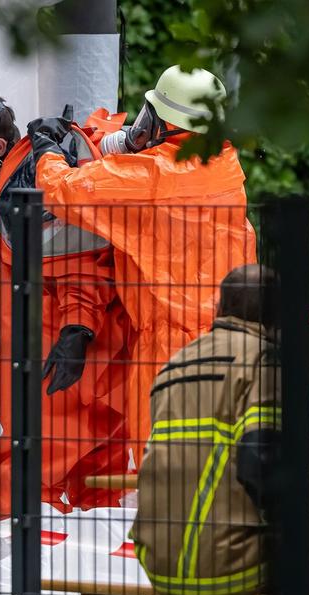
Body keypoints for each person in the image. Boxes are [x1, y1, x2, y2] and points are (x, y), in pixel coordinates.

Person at [122, 265, 309, 595]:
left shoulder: (174, 366)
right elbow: (264, 464)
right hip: (230, 557)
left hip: (160, 556)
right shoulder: (267, 364)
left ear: (220, 307)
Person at [25, 65, 258, 462]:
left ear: (164, 122)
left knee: (164, 473)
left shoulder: (151, 174)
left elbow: (61, 190)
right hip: (235, 342)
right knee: (222, 467)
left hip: (170, 350)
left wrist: (47, 151)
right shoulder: (225, 167)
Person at [0, 91, 134, 517]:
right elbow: (52, 245)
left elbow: (79, 261)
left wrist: (76, 332)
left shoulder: (29, 176)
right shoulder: (23, 169)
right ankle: (89, 544)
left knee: (32, 453)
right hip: (74, 340)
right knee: (93, 457)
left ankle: (18, 547)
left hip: (53, 345)